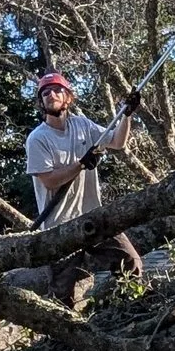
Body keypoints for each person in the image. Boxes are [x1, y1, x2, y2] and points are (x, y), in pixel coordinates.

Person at [25, 69, 146, 303]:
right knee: (62, 295)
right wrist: (81, 164)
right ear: (41, 102)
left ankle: (131, 308)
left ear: (68, 97)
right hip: (59, 227)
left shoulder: (82, 125)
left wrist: (127, 115)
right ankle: (63, 335)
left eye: (57, 90)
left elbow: (118, 142)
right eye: (46, 92)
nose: (51, 95)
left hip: (92, 214)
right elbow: (49, 180)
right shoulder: (38, 139)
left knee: (130, 262)